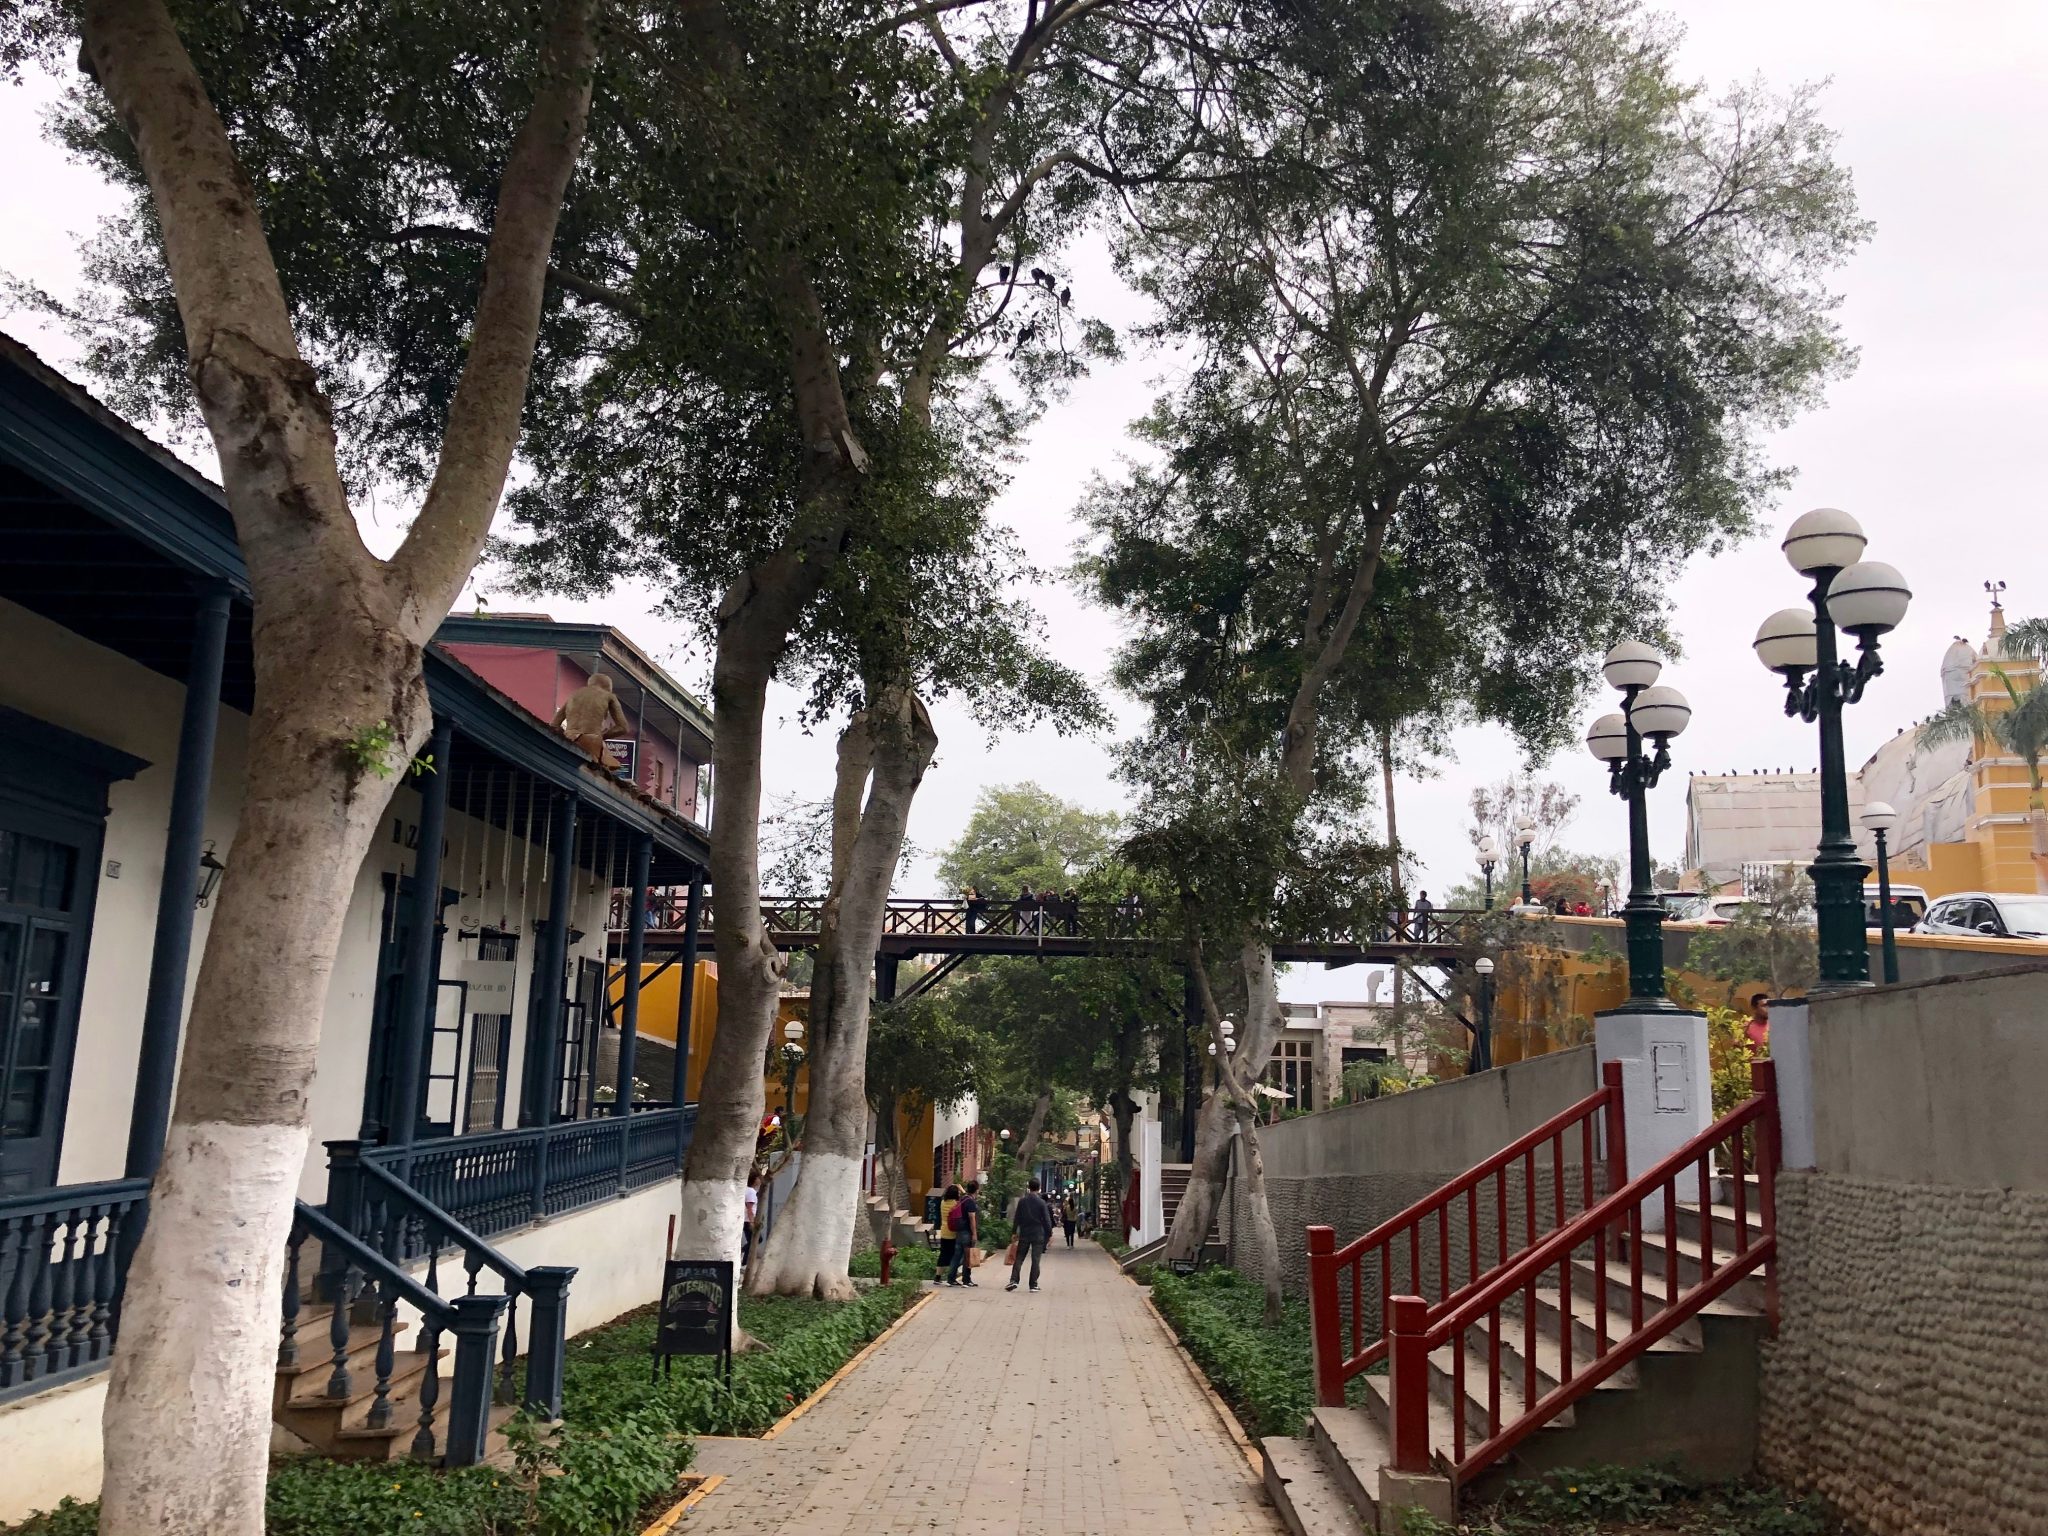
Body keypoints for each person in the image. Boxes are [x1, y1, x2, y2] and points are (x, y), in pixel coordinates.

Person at [553, 672, 630, 769]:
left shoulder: (574, 695)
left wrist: (564, 735)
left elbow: (554, 725)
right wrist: (602, 736)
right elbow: (623, 728)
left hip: (569, 739)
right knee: (610, 767)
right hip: (592, 743)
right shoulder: (609, 696)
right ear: (608, 687)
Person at [1008, 1177, 1056, 1292]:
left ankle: (1014, 1280)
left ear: (1028, 1187)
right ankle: (1033, 1284)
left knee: (1019, 1257)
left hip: (1024, 1232)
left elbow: (1017, 1218)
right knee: (1036, 1259)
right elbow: (1046, 1220)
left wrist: (1014, 1232)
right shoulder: (1041, 1203)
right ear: (1039, 1188)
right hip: (1038, 1233)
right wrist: (1049, 1234)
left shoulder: (1022, 1201)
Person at [944, 1179, 981, 1286]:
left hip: (959, 1232)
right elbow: (972, 1218)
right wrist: (974, 1234)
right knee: (967, 1257)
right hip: (967, 1232)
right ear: (977, 1190)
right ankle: (966, 1280)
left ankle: (950, 1279)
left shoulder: (963, 1199)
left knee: (956, 1256)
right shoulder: (971, 1202)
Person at [933, 1182, 960, 1285]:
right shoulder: (956, 1204)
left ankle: (937, 1277)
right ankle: (952, 1276)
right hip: (953, 1232)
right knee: (954, 1256)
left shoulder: (942, 1203)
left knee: (943, 1254)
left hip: (944, 1231)